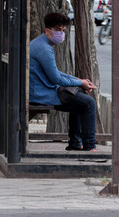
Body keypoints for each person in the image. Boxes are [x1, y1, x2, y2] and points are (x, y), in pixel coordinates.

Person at [29, 12, 98, 151]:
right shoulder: (44, 49)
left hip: (40, 89)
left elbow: (56, 72)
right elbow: (56, 79)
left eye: (63, 30)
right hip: (42, 93)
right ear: (48, 30)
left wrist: (79, 80)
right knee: (89, 103)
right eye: (58, 30)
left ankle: (75, 143)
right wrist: (81, 83)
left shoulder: (40, 43)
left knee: (80, 100)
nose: (61, 34)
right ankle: (90, 146)